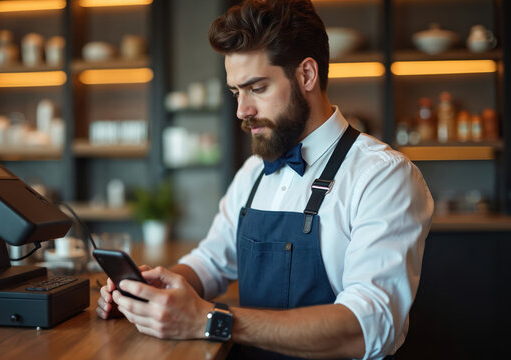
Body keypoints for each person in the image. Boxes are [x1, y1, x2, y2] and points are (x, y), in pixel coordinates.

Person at [97, 0, 434, 359]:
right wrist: (155, 290)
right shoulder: (254, 173)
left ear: (306, 75)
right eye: (235, 92)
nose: (242, 110)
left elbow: (369, 327)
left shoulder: (383, 176)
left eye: (257, 88)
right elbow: (212, 260)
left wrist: (210, 320)